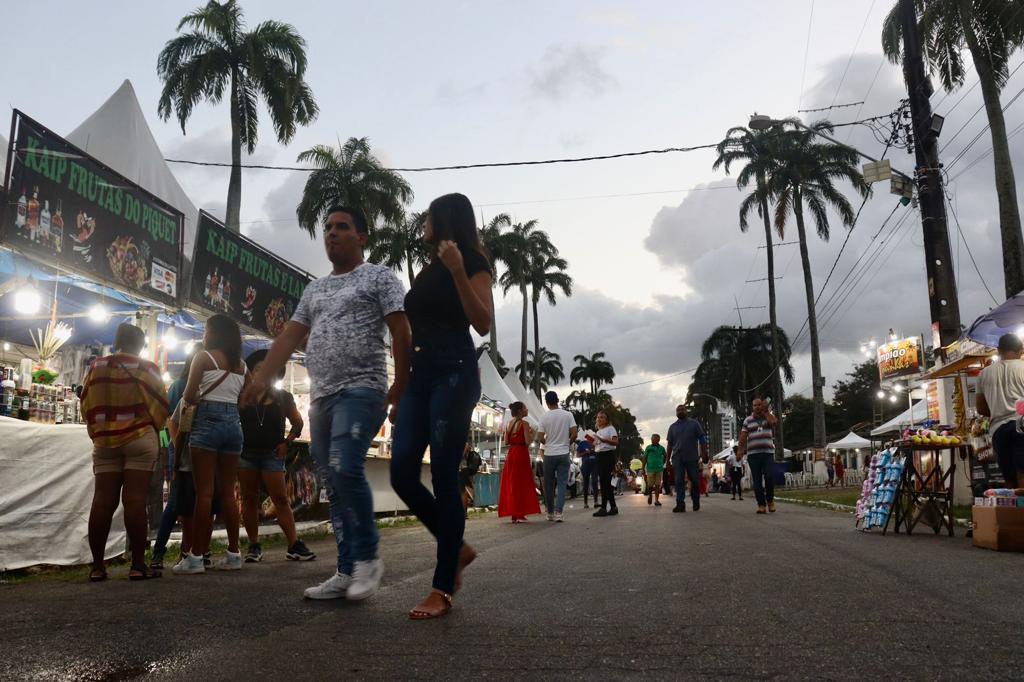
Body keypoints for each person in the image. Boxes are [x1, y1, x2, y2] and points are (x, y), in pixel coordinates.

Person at [242, 205, 410, 601]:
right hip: (322, 398)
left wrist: (401, 385)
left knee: (343, 465)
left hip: (363, 390)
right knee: (333, 483)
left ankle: (369, 559)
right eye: (328, 228)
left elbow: (401, 330)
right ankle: (346, 570)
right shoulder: (315, 289)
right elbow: (289, 336)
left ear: (362, 237)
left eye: (342, 227)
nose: (332, 233)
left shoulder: (379, 277)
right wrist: (264, 375)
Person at [390, 193, 493, 620]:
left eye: (429, 216)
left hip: (455, 368)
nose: (423, 223)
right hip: (421, 373)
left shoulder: (471, 260)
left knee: (445, 475)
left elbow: (482, 322)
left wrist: (457, 271)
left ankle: (441, 587)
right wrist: (401, 385)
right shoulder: (430, 266)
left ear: (446, 218)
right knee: (401, 473)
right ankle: (456, 546)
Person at [81, 323, 169, 581]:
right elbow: (161, 404)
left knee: (102, 501)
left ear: (116, 341)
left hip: (106, 442)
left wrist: (100, 429)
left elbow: (86, 402)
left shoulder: (97, 367)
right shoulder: (147, 368)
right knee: (135, 500)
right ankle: (138, 565)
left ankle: (97, 567)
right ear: (141, 345)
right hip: (139, 438)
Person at [173, 314, 248, 574]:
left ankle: (196, 557)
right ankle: (234, 554)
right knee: (228, 492)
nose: (203, 335)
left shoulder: (203, 358)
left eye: (206, 330)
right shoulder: (242, 365)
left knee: (203, 492)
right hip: (233, 426)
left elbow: (189, 395)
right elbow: (243, 398)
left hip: (207, 423)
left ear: (214, 333)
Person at [238, 349, 314, 563]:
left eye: (267, 370)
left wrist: (286, 442)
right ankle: (253, 545)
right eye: (257, 369)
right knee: (249, 499)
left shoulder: (283, 397)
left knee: (280, 498)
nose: (262, 373)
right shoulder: (242, 395)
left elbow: (298, 424)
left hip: (272, 453)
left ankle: (294, 544)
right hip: (246, 454)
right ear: (251, 373)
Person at [151, 343, 202, 570]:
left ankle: (185, 552)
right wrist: (171, 447)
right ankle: (159, 553)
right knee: (175, 504)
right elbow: (168, 423)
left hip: (192, 451)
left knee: (191, 504)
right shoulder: (181, 387)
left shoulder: (197, 386)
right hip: (181, 451)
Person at [976, 332, 1024, 487]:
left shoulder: (984, 374)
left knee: (1010, 479)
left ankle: (1013, 511)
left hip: (998, 430)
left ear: (998, 350)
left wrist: (999, 408)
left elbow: (981, 408)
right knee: (1023, 473)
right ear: (1020, 349)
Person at [538, 391, 578, 522]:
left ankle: (549, 513)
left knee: (549, 485)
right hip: (563, 453)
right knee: (561, 484)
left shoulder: (543, 417)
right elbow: (574, 434)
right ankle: (559, 513)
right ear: (558, 400)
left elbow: (540, 437)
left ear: (547, 402)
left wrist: (548, 443)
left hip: (549, 454)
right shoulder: (568, 415)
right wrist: (567, 443)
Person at [498, 402, 541, 523]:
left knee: (512, 483)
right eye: (525, 408)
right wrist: (533, 434)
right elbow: (528, 442)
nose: (527, 409)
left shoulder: (508, 424)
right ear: (520, 411)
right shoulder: (524, 424)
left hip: (511, 454)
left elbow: (506, 441)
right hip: (521, 453)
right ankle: (519, 512)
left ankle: (515, 513)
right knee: (522, 483)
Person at [666, 404, 709, 513]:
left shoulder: (694, 424)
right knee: (679, 481)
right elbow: (670, 445)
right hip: (677, 458)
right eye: (678, 410)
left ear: (686, 411)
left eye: (682, 409)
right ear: (676, 413)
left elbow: (702, 439)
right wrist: (667, 461)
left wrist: (704, 453)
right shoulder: (672, 427)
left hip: (692, 457)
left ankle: (696, 500)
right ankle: (680, 504)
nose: (680, 411)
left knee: (694, 480)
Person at [739, 398, 779, 514]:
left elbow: (774, 423)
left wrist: (766, 412)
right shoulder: (748, 420)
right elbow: (743, 436)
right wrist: (740, 450)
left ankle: (770, 501)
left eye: (759, 405)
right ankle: (761, 504)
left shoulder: (768, 417)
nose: (757, 407)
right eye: (755, 405)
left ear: (763, 405)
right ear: (752, 407)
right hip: (753, 455)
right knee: (756, 480)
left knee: (769, 477)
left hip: (768, 453)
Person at [592, 410, 620, 517]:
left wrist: (603, 440)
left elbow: (615, 442)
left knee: (605, 482)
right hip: (599, 456)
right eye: (598, 417)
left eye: (602, 417)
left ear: (607, 419)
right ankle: (613, 507)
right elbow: (597, 444)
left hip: (608, 455)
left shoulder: (610, 428)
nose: (599, 419)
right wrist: (592, 442)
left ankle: (603, 508)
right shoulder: (598, 432)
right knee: (605, 483)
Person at [643, 433, 667, 507]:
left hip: (659, 469)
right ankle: (650, 495)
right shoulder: (648, 447)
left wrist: (662, 463)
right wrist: (643, 468)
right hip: (650, 469)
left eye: (654, 439)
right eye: (652, 439)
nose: (652, 440)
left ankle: (656, 500)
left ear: (658, 440)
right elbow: (644, 458)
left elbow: (665, 456)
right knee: (650, 485)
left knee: (657, 485)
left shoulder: (662, 448)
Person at [459, 442, 482, 517]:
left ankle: (464, 513)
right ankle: (463, 513)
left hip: (462, 470)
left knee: (463, 492)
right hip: (463, 470)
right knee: (463, 491)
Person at [577, 437, 599, 508]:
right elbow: (578, 455)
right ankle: (585, 503)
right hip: (585, 465)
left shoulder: (596, 442)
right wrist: (586, 452)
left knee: (595, 482)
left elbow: (600, 452)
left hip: (595, 465)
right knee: (586, 483)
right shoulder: (582, 443)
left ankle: (596, 502)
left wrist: (594, 451)